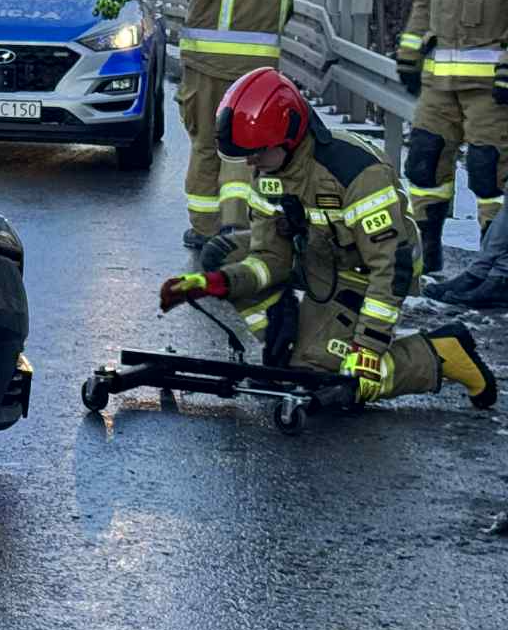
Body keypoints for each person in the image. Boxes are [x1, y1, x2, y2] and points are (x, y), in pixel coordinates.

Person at [160, 68, 496, 411]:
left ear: (288, 136)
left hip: (368, 276)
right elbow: (269, 258)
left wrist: (367, 349)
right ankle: (285, 349)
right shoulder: (270, 171)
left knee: (331, 379)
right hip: (319, 261)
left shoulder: (356, 174)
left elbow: (391, 267)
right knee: (224, 256)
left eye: (257, 152)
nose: (250, 162)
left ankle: (441, 354)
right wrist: (222, 284)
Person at [97, 0, 297, 250]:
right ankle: (242, 228)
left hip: (211, 65)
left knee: (209, 144)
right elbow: (286, 7)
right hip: (261, 70)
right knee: (249, 149)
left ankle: (206, 230)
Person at [395, 0, 508, 273]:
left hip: (489, 90)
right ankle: (431, 257)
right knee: (424, 162)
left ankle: (491, 266)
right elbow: (422, 6)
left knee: (486, 173)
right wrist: (408, 56)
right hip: (438, 85)